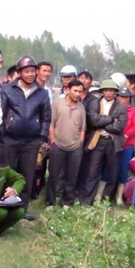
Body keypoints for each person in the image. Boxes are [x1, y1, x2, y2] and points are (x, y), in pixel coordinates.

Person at [0, 55, 51, 219]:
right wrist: (3, 133)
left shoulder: (42, 93)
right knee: (8, 173)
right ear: (19, 72)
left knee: (27, 175)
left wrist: (41, 137)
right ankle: (5, 205)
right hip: (10, 139)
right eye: (26, 71)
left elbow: (46, 117)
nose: (30, 74)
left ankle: (23, 208)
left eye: (32, 71)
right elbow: (0, 113)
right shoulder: (8, 90)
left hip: (31, 141)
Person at [81, 79, 127, 205]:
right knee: (92, 172)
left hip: (113, 143)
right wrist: (111, 119)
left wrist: (103, 125)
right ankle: (87, 201)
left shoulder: (121, 106)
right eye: (106, 90)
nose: (108, 93)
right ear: (102, 91)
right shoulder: (94, 103)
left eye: (111, 91)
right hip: (97, 141)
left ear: (115, 92)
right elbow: (94, 121)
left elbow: (120, 126)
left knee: (113, 173)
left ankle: (105, 201)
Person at [45, 79, 86, 207]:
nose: (78, 94)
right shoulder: (57, 104)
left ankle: (68, 201)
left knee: (72, 176)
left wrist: (80, 143)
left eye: (80, 91)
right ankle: (50, 201)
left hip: (75, 147)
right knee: (53, 175)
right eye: (75, 91)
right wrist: (53, 141)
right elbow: (51, 124)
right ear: (68, 89)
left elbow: (83, 128)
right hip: (58, 145)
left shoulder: (81, 107)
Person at [115, 87, 135, 205]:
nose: (123, 99)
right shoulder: (113, 109)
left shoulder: (132, 111)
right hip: (113, 143)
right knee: (108, 169)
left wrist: (125, 135)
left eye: (126, 97)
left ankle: (119, 196)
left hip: (127, 145)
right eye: (121, 96)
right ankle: (102, 195)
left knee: (123, 170)